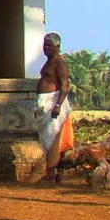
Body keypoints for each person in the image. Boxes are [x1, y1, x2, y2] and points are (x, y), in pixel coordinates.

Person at [34, 32, 75, 182]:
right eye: (44, 45)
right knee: (47, 139)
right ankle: (53, 172)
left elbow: (65, 85)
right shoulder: (48, 62)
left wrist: (57, 105)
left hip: (54, 103)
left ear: (57, 47)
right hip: (44, 104)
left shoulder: (60, 62)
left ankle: (51, 173)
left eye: (49, 46)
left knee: (53, 139)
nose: (46, 48)